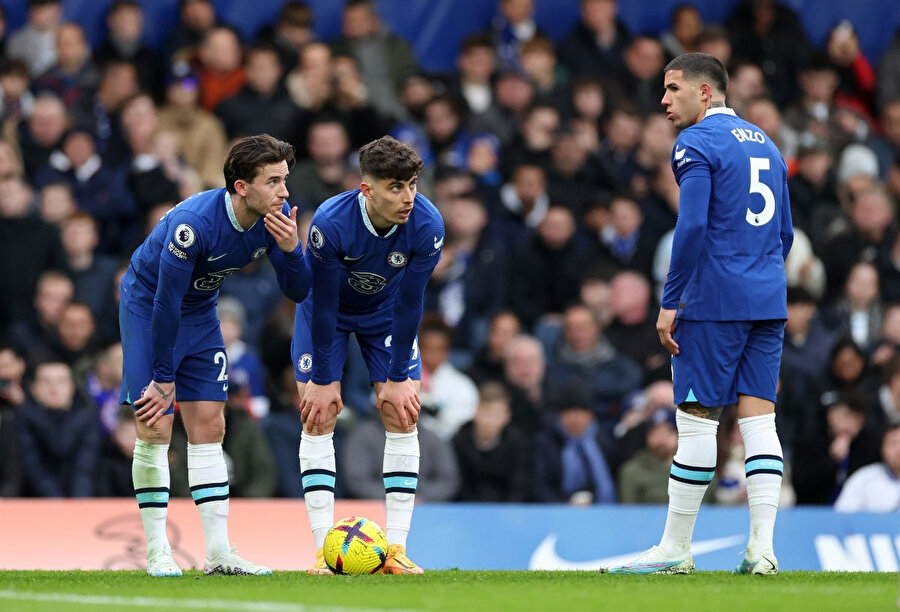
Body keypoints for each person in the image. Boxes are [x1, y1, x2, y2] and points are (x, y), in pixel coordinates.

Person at [610, 53, 794, 576]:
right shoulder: (768, 143)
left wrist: (671, 300)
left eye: (672, 89)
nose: (664, 100)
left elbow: (689, 228)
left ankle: (674, 549)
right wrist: (759, 275)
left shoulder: (694, 143)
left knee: (696, 423)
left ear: (705, 92)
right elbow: (786, 235)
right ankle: (762, 550)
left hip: (713, 302)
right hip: (767, 300)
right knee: (760, 422)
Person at [119, 133, 311, 578]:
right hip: (149, 308)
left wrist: (290, 249)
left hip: (201, 310)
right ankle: (157, 552)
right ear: (241, 187)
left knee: (210, 423)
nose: (285, 191)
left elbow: (297, 290)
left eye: (285, 180)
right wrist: (164, 377)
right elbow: (165, 301)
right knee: (156, 419)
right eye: (274, 181)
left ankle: (220, 553)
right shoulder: (193, 223)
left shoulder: (274, 218)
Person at [292, 135, 443, 575]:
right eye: (395, 187)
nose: (408, 197)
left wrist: (397, 378)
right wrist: (323, 378)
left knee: (403, 411)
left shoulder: (428, 224)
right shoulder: (331, 223)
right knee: (318, 413)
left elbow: (413, 302)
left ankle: (394, 550)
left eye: (413, 184)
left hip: (386, 316)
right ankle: (324, 553)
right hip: (328, 315)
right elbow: (321, 304)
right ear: (367, 189)